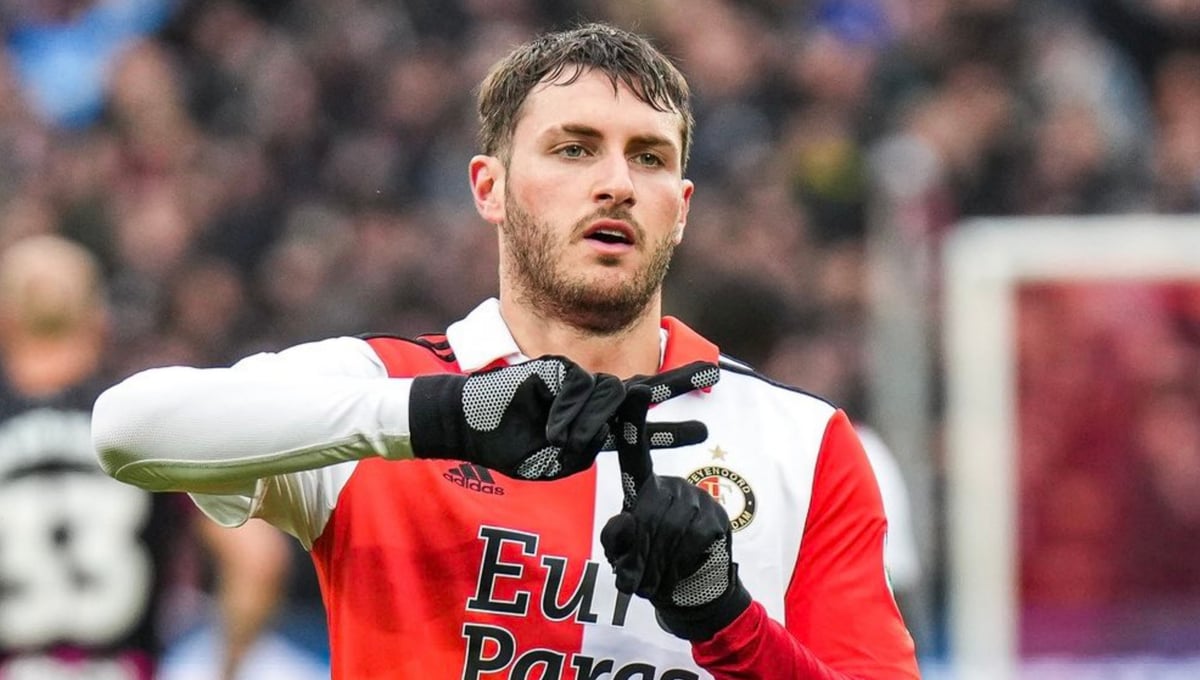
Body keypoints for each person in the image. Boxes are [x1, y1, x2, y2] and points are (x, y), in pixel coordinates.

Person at [91, 23, 920, 679]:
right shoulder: (389, 389)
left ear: (682, 206)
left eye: (649, 157)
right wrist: (441, 417)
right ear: (489, 188)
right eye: (574, 148)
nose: (617, 183)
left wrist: (723, 619)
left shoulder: (803, 442)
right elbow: (128, 430)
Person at [0, 233, 288, 680]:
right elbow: (258, 559)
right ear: (100, 320)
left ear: (6, 319)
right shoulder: (140, 426)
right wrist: (226, 669)